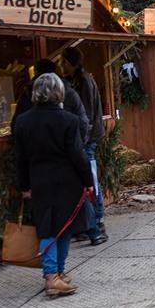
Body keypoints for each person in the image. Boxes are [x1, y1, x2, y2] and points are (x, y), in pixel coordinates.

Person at [13, 73, 94, 296]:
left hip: (39, 182)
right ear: (59, 92)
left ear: (36, 93)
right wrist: (88, 181)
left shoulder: (22, 122)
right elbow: (78, 156)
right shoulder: (69, 120)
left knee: (46, 227)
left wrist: (24, 186)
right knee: (65, 227)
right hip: (68, 182)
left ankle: (53, 275)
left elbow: (20, 158)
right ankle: (54, 274)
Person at [61, 47, 108, 246]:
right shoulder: (75, 81)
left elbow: (86, 116)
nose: (61, 65)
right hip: (83, 139)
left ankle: (97, 220)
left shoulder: (85, 82)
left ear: (72, 62)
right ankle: (87, 223)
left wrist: (83, 141)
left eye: (64, 62)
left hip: (87, 140)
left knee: (90, 180)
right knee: (86, 180)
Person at [11, 58, 89, 143]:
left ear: (35, 72)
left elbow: (16, 127)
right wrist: (76, 145)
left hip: (35, 151)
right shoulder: (69, 92)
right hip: (65, 149)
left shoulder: (27, 94)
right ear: (54, 71)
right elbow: (83, 124)